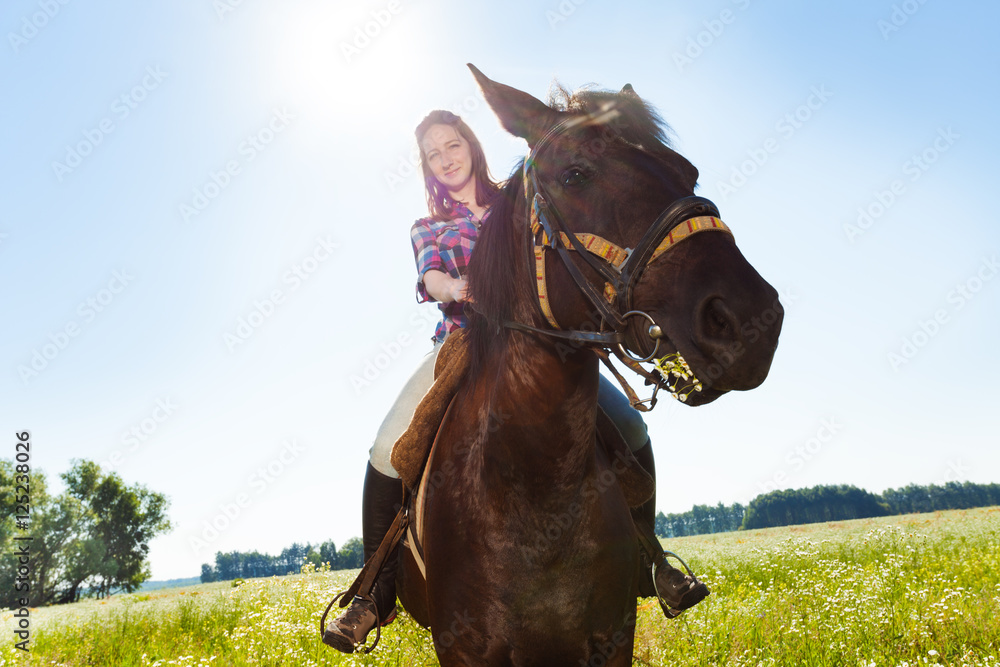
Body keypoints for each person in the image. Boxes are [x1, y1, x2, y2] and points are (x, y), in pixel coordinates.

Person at [322, 110, 706, 654]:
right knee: (386, 448)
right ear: (427, 167)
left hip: (543, 346)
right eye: (434, 154)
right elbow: (430, 276)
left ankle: (650, 559)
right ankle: (373, 593)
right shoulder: (428, 227)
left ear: (471, 146)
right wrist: (458, 286)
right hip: (462, 347)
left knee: (629, 425)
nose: (446, 158)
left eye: (452, 145)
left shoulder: (520, 202)